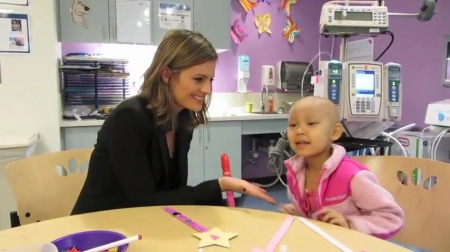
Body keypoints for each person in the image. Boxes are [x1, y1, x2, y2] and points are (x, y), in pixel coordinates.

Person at [71, 29, 276, 215]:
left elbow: (171, 193)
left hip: (143, 223)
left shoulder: (182, 119)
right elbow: (142, 201)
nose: (207, 90)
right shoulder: (129, 118)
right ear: (167, 74)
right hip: (101, 230)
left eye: (210, 79)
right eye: (198, 79)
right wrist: (219, 185)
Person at [279, 96, 404, 239]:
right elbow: (315, 217)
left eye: (311, 123)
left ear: (334, 132)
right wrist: (299, 215)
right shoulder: (294, 173)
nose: (299, 130)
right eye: (293, 125)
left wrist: (350, 225)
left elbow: (392, 218)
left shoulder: (353, 177)